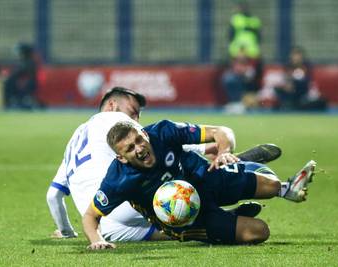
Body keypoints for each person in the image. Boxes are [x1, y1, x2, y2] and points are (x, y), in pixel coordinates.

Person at [46, 87, 282, 240]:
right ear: (112, 106)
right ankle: (226, 171)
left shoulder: (74, 142)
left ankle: (210, 218)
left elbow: (53, 195)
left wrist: (67, 233)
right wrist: (203, 147)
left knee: (167, 228)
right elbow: (159, 141)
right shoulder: (117, 122)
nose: (136, 120)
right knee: (176, 186)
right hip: (139, 197)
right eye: (133, 112)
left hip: (108, 227)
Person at [82, 119, 316, 249]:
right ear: (121, 157)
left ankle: (287, 189)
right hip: (185, 219)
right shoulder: (118, 179)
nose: (140, 148)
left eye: (138, 140)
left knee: (271, 184)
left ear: (144, 133)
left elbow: (221, 131)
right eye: (130, 149)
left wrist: (224, 151)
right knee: (259, 231)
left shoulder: (163, 131)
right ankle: (229, 208)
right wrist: (97, 241)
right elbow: (90, 216)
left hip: (202, 177)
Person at [222, 1, 263, 113]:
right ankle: (237, 103)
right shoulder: (255, 21)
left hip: (243, 56)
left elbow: (230, 35)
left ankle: (240, 104)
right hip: (249, 55)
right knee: (233, 79)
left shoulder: (236, 19)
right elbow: (259, 37)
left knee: (235, 79)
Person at [274, 46, 328, 111]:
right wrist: (287, 85)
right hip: (290, 93)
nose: (296, 57)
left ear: (301, 56)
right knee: (278, 90)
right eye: (294, 55)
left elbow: (307, 83)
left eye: (298, 55)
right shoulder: (287, 66)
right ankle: (290, 104)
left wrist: (294, 83)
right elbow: (284, 81)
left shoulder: (306, 67)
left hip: (302, 93)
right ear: (291, 56)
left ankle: (293, 105)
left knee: (322, 101)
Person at [4, 43, 42, 109]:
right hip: (23, 84)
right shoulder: (24, 61)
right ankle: (16, 101)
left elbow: (19, 72)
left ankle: (21, 101)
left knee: (10, 82)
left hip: (28, 84)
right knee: (9, 81)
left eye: (21, 52)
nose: (19, 55)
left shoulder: (29, 62)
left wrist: (12, 74)